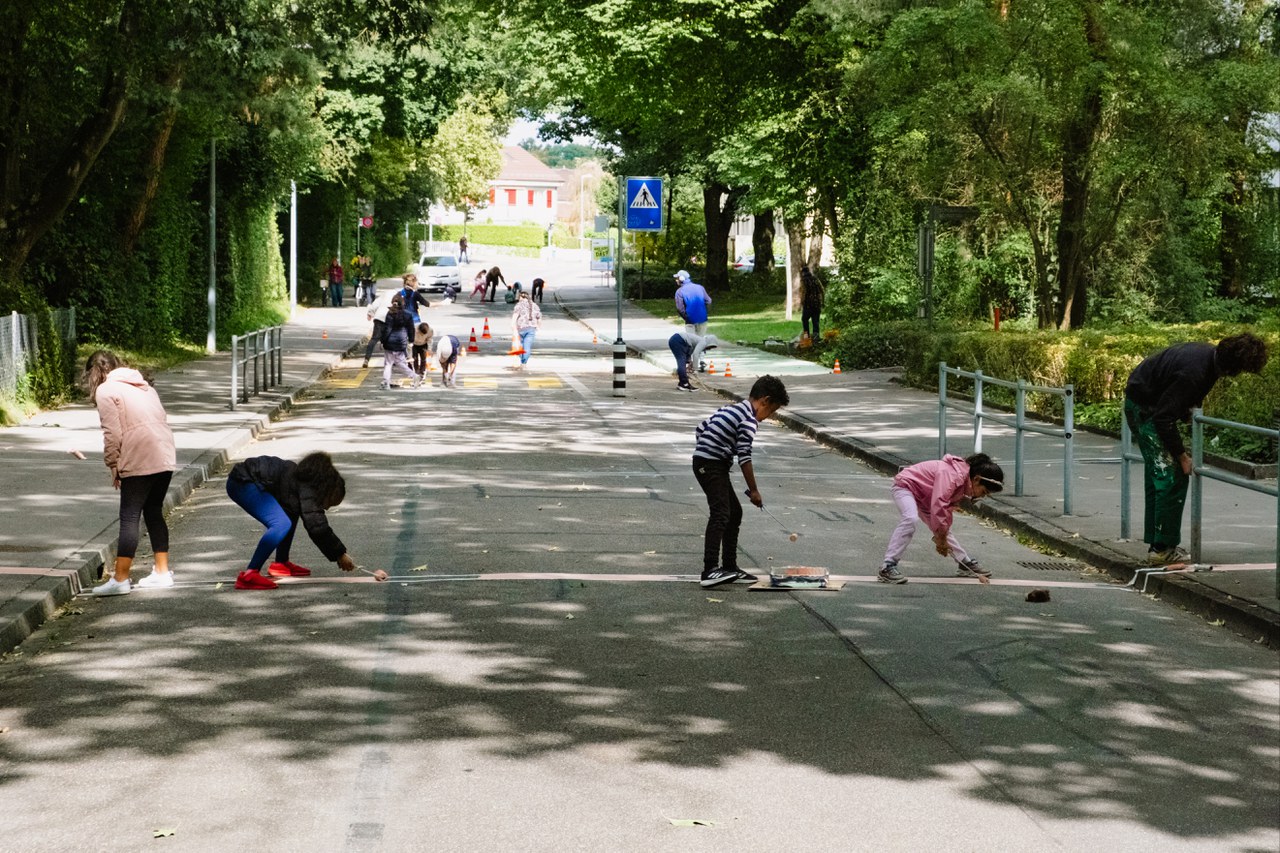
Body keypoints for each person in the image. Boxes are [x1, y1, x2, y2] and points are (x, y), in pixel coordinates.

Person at [1124, 332, 1269, 565]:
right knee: (1172, 477)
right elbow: (1164, 418)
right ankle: (1161, 550)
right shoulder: (1195, 372)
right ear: (1232, 367)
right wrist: (1182, 457)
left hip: (1144, 400)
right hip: (1145, 410)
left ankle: (1158, 542)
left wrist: (1189, 408)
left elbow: (1182, 394)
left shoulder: (1208, 355)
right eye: (1240, 371)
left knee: (1159, 475)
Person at [84, 351, 178, 595]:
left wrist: (113, 464)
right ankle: (162, 572)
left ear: (94, 373)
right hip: (165, 451)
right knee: (154, 511)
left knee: (129, 516)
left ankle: (121, 579)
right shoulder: (144, 386)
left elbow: (111, 433)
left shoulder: (107, 390)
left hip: (140, 452)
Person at [226, 452, 380, 590]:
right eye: (328, 503)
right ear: (325, 491)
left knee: (291, 512)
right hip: (243, 482)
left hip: (250, 479)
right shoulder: (308, 490)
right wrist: (339, 553)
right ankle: (249, 575)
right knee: (281, 523)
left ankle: (281, 564)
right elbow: (317, 526)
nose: (325, 508)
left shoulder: (304, 481)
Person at [692, 375, 790, 588]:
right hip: (711, 464)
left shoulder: (731, 409)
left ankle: (729, 567)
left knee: (734, 512)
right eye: (771, 410)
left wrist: (710, 448)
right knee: (721, 513)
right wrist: (753, 490)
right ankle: (710, 570)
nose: (767, 417)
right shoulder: (749, 420)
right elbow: (744, 456)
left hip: (707, 461)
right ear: (764, 400)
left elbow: (701, 428)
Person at [877, 453, 1004, 584]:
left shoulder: (962, 482)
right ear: (976, 479)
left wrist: (942, 536)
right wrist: (940, 537)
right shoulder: (952, 476)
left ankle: (964, 562)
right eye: (983, 492)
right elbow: (939, 503)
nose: (982, 496)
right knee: (910, 518)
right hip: (905, 486)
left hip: (926, 497)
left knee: (943, 529)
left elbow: (945, 513)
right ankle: (888, 566)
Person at [380, 294, 420, 389]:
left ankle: (386, 382)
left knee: (388, 363)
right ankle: (414, 376)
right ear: (403, 303)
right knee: (400, 362)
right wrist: (411, 340)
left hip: (390, 341)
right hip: (401, 341)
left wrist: (382, 341)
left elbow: (387, 329)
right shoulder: (408, 314)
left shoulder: (390, 313)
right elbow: (411, 329)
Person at [361, 289, 395, 369]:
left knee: (373, 339)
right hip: (390, 318)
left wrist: (370, 314)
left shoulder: (384, 295)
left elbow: (375, 304)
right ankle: (391, 360)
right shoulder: (399, 296)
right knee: (390, 339)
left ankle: (366, 359)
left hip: (379, 317)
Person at [673, 269, 711, 336]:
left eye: (677, 278)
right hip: (703, 319)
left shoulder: (679, 291)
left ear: (682, 279)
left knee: (692, 341)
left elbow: (680, 309)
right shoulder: (700, 287)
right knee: (700, 341)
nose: (676, 280)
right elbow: (708, 301)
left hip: (690, 321)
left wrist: (686, 317)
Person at [511, 290, 542, 370]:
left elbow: (514, 317)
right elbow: (539, 318)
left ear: (521, 297)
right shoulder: (535, 305)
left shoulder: (519, 305)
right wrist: (538, 327)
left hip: (521, 328)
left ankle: (522, 361)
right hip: (531, 328)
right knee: (527, 347)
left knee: (520, 346)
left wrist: (513, 327)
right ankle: (524, 363)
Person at [799, 264, 825, 344]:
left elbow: (804, 291)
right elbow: (822, 290)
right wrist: (822, 301)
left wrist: (802, 302)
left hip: (808, 304)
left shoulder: (804, 280)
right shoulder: (815, 279)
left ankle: (807, 337)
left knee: (804, 319)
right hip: (817, 304)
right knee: (815, 321)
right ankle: (816, 338)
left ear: (803, 273)